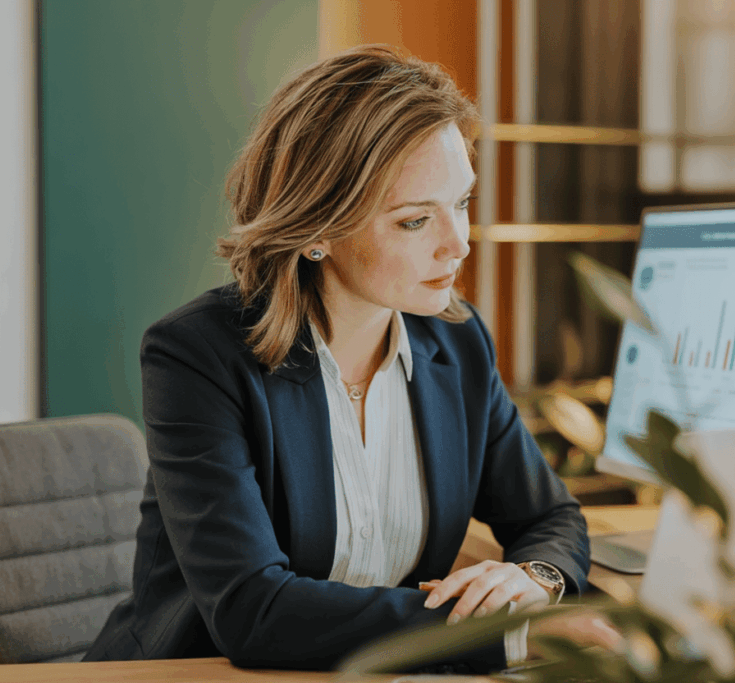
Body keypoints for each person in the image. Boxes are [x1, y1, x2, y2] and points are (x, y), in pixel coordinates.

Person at [85, 45, 610, 672]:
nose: (458, 244)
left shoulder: (457, 343)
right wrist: (511, 634)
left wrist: (537, 581)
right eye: (416, 221)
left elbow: (548, 514)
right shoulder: (197, 357)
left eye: (463, 203)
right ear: (316, 230)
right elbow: (252, 611)